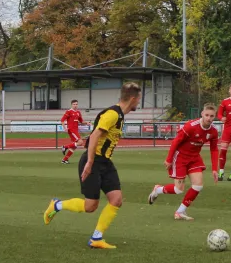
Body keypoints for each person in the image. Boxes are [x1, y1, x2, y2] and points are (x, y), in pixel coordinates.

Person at [43, 83, 142, 249]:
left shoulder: (119, 115)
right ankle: (56, 205)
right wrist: (89, 162)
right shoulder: (112, 114)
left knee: (116, 200)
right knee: (90, 206)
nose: (139, 102)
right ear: (133, 99)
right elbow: (96, 134)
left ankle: (96, 238)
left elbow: (96, 133)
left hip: (105, 162)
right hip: (93, 161)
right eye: (138, 99)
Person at [147, 103, 219, 220]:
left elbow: (214, 149)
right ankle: (158, 190)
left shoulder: (213, 132)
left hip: (194, 158)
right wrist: (169, 159)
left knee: (198, 185)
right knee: (178, 190)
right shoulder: (190, 126)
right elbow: (176, 142)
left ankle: (180, 211)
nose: (209, 118)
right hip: (180, 157)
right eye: (207, 115)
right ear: (202, 114)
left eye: (212, 116)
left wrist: (215, 169)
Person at [60, 99, 91, 164]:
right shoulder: (69, 111)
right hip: (71, 130)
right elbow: (62, 120)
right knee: (80, 142)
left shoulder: (78, 112)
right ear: (71, 105)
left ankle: (64, 160)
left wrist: (87, 123)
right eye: (74, 104)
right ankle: (65, 147)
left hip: (75, 130)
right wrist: (65, 128)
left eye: (76, 104)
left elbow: (81, 121)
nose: (75, 105)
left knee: (74, 147)